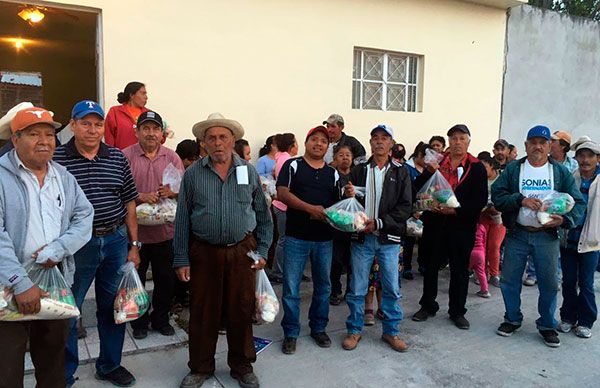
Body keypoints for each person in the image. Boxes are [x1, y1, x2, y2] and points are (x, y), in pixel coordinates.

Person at [173, 112, 272, 388]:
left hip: (242, 252)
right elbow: (182, 219)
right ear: (203, 143)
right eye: (212, 138)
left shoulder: (248, 171)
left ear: (233, 141)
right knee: (203, 311)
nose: (217, 143)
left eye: (223, 137)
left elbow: (263, 215)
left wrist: (263, 250)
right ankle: (201, 367)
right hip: (204, 253)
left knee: (241, 309)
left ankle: (242, 366)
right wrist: (181, 258)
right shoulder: (193, 174)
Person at [0, 107, 93, 388]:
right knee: (7, 367)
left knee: (53, 362)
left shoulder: (62, 176)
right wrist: (20, 282)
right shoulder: (2, 177)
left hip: (55, 283)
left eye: (49, 134)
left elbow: (84, 215)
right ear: (15, 139)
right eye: (33, 134)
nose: (44, 140)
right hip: (8, 287)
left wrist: (60, 248)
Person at [55, 100, 141, 387]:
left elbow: (129, 201)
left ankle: (110, 365)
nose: (92, 129)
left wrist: (134, 244)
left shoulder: (116, 157)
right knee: (67, 309)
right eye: (85, 123)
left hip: (116, 240)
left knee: (113, 307)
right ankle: (64, 372)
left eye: (97, 124)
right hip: (76, 245)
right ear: (73, 125)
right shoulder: (57, 159)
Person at [491, 125, 585, 348]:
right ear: (526, 145)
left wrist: (564, 220)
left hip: (547, 236)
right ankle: (512, 319)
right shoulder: (515, 169)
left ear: (550, 146)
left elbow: (578, 202)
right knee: (509, 280)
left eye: (543, 142)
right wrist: (519, 200)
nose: (538, 146)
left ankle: (547, 325)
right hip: (517, 234)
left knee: (550, 283)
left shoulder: (560, 172)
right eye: (533, 142)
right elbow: (497, 196)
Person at [342, 124, 412, 352]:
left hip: (389, 239)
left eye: (384, 138)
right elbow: (347, 201)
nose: (379, 142)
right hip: (362, 239)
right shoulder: (359, 169)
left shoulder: (401, 172)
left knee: (391, 287)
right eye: (375, 138)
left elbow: (405, 208)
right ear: (370, 142)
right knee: (357, 287)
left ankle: (391, 332)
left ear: (391, 143)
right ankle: (354, 330)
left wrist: (380, 223)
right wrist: (347, 193)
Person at [413, 124, 488, 330]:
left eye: (462, 138)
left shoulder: (476, 167)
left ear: (468, 142)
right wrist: (428, 175)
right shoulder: (437, 162)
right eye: (453, 138)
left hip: (461, 226)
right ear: (448, 142)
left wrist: (455, 211)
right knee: (430, 267)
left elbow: (479, 200)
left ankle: (457, 311)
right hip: (435, 224)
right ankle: (428, 305)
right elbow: (418, 188)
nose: (457, 142)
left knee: (459, 270)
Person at [277, 126, 339, 355]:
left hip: (324, 239)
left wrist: (348, 195)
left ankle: (319, 328)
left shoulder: (332, 173)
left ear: (328, 146)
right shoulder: (293, 165)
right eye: (315, 139)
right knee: (291, 288)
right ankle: (291, 332)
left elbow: (338, 203)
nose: (319, 143)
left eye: (324, 141)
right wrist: (309, 209)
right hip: (296, 237)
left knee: (323, 286)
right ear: (306, 142)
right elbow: (282, 193)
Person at [123, 111, 185, 339]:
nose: (151, 133)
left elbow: (184, 189)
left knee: (165, 280)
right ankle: (139, 322)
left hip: (165, 232)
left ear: (162, 133)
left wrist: (173, 191)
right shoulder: (125, 156)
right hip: (134, 235)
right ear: (137, 131)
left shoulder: (172, 157)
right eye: (146, 128)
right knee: (135, 280)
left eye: (155, 129)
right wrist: (139, 195)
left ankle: (160, 318)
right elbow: (118, 191)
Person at [556, 138, 600, 338]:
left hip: (591, 240)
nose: (585, 160)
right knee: (568, 281)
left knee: (586, 283)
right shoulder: (571, 178)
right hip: (569, 238)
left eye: (589, 156)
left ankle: (585, 321)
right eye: (581, 155)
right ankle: (568, 317)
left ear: (597, 159)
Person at [269, 133, 299, 283]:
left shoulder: (279, 157)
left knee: (284, 239)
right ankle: (278, 272)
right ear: (291, 146)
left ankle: (283, 270)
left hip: (279, 205)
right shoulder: (287, 160)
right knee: (284, 240)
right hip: (284, 205)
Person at [329, 144, 354, 305]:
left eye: (348, 155)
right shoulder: (331, 176)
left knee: (353, 261)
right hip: (336, 227)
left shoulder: (357, 175)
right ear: (334, 159)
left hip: (354, 226)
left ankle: (351, 291)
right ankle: (335, 290)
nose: (345, 158)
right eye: (341, 155)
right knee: (336, 261)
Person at [402, 142, 431, 278]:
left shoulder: (428, 170)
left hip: (426, 208)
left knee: (424, 239)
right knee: (409, 239)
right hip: (411, 210)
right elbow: (407, 191)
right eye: (426, 157)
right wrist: (413, 210)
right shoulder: (406, 169)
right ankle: (406, 267)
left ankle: (422, 264)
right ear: (419, 155)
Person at [478, 154, 506, 288]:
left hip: (498, 218)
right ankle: (481, 273)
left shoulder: (502, 180)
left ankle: (494, 274)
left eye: (484, 167)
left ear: (492, 166)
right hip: (482, 216)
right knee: (481, 245)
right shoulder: (479, 180)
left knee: (494, 245)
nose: (482, 171)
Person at [105, 81, 150, 149]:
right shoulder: (115, 112)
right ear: (131, 95)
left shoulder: (149, 114)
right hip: (121, 157)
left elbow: (157, 140)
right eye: (143, 94)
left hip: (144, 158)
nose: (146, 97)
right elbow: (109, 138)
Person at [469, 223, 491, 298]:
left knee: (463, 271)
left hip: (470, 251)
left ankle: (459, 289)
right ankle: (485, 290)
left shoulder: (467, 226)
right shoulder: (482, 227)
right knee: (481, 273)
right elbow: (484, 241)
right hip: (480, 253)